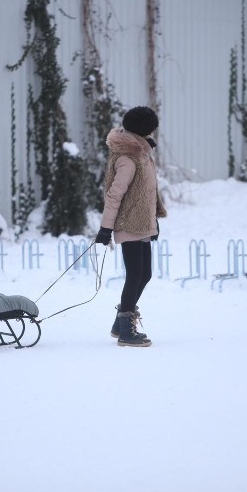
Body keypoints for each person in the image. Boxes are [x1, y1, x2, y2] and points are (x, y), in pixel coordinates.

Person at [95, 106, 167, 347]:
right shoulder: (127, 158)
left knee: (144, 274)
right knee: (135, 275)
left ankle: (120, 322)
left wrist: (153, 219)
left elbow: (147, 193)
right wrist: (106, 229)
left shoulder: (142, 154)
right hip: (128, 223)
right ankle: (126, 330)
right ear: (143, 130)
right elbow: (114, 195)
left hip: (142, 223)